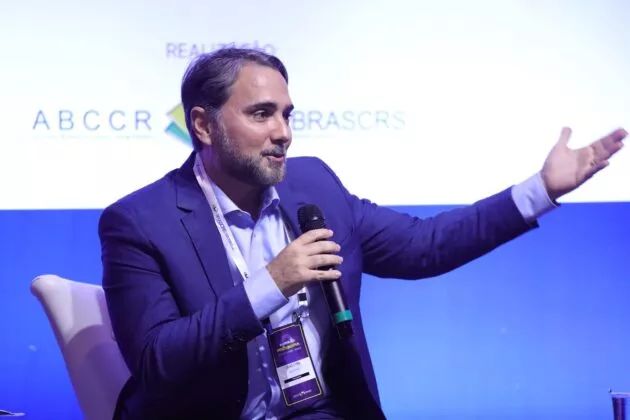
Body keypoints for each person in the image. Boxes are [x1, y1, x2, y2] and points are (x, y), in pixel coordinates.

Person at [99, 47, 626, 420]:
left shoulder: (313, 185)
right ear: (203, 125)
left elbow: (423, 246)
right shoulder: (140, 221)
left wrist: (540, 190)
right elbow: (156, 360)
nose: (283, 133)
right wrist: (271, 283)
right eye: (261, 115)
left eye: (287, 114)